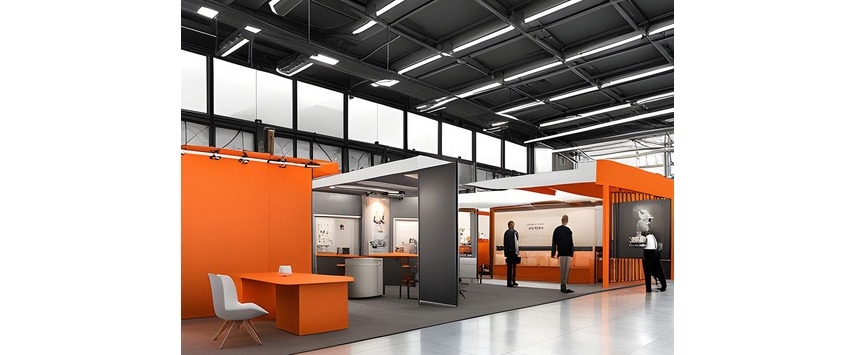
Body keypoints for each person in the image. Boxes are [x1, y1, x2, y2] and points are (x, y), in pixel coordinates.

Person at [551, 215, 575, 293]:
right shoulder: (568, 230)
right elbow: (571, 242)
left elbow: (554, 242)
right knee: (566, 270)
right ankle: (564, 285)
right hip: (568, 252)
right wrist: (572, 252)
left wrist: (553, 253)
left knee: (563, 270)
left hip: (562, 252)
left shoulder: (557, 230)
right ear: (567, 221)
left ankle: (563, 285)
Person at [503, 221, 520, 287]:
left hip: (514, 252)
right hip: (510, 253)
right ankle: (509, 282)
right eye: (511, 225)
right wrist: (506, 253)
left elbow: (516, 243)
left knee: (513, 268)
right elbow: (505, 243)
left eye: (512, 224)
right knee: (510, 268)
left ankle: (513, 281)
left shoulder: (515, 232)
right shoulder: (508, 233)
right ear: (509, 225)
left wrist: (517, 251)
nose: (512, 226)